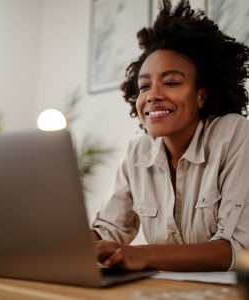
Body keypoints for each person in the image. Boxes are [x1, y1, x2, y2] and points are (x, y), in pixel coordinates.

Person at [91, 0, 249, 272]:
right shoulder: (137, 152)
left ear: (201, 96)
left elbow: (235, 249)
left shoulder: (233, 133)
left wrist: (142, 255)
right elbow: (109, 230)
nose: (153, 95)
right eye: (144, 86)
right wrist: (65, 246)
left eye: (172, 82)